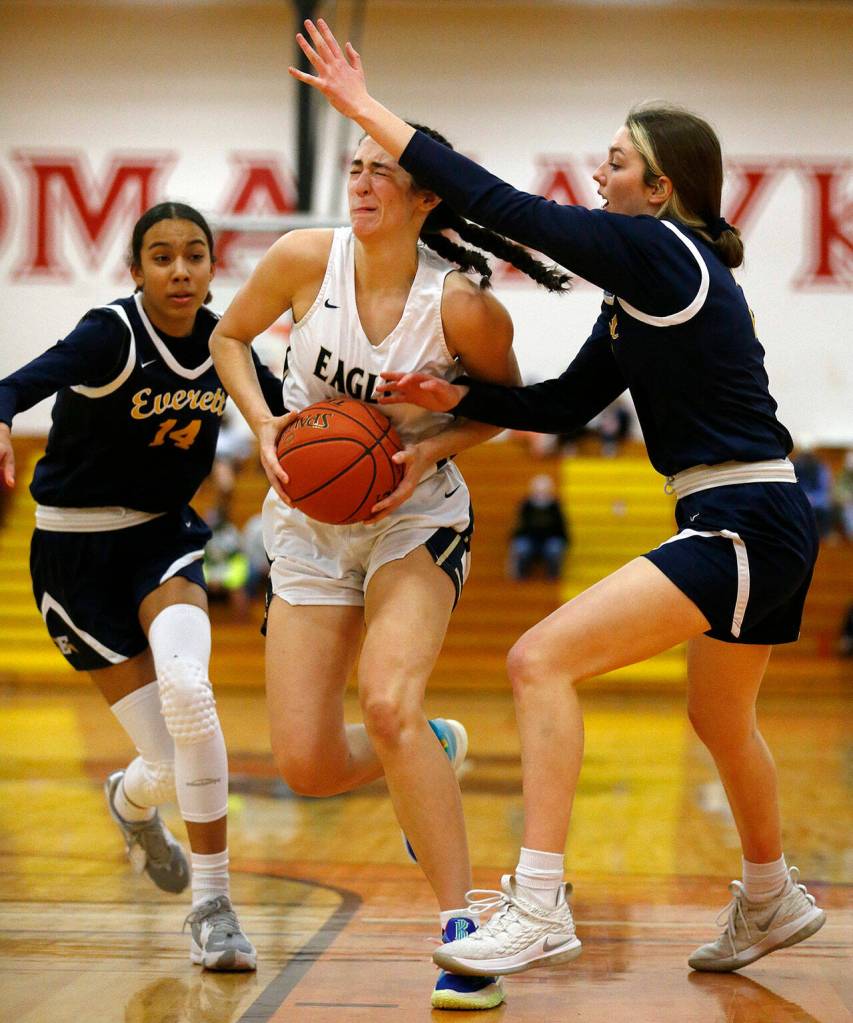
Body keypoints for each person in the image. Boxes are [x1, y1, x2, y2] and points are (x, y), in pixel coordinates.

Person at [289, 18, 827, 981]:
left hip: (741, 519)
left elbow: (505, 208)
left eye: (615, 162)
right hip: (759, 518)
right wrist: (462, 397)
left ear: (657, 189)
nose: (598, 172)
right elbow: (567, 404)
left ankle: (537, 902)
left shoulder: (663, 253)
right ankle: (770, 893)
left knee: (539, 659)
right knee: (719, 720)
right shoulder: (641, 291)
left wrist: (368, 111)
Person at [209, 120, 568, 1009]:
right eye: (356, 169)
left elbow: (503, 410)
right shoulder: (302, 260)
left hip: (415, 519)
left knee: (387, 697)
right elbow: (228, 340)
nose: (362, 184)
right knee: (303, 763)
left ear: (426, 197)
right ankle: (431, 750)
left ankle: (463, 931)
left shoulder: (462, 307)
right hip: (306, 524)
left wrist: (430, 446)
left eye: (382, 174)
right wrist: (263, 426)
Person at [0, 201, 285, 971]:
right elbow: (14, 386)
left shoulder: (229, 344)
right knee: (160, 763)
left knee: (190, 689)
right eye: (162, 256)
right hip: (75, 556)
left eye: (195, 254)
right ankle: (130, 803)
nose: (181, 269)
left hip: (163, 538)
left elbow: (296, 416)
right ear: (135, 270)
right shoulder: (111, 333)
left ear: (212, 265)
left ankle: (213, 906)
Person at [508, 474, 569, 580]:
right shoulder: (526, 505)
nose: (541, 494)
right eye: (538, 491)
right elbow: (519, 526)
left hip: (549, 540)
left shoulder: (555, 506)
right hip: (530, 540)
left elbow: (562, 527)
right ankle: (522, 574)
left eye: (544, 491)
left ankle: (553, 575)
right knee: (521, 547)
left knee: (555, 548)